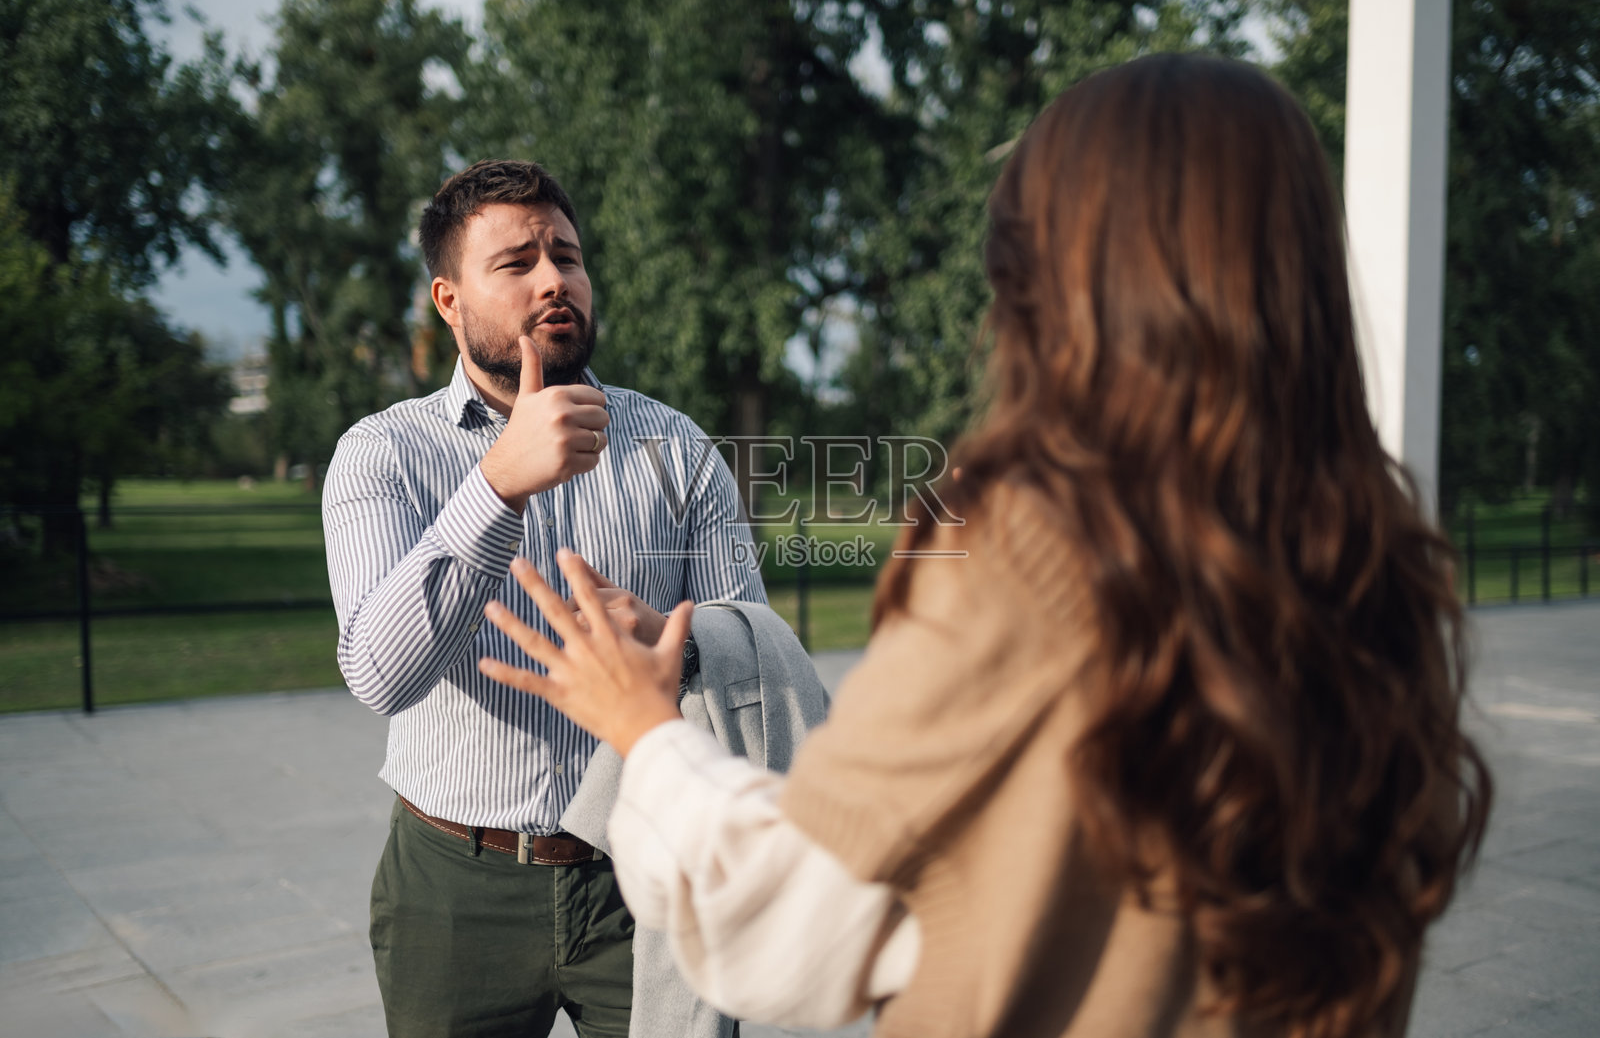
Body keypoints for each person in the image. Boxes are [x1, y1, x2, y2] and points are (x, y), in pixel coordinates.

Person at [478, 54, 1493, 1038]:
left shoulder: (1037, 544)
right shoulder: (1379, 569)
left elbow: (792, 922)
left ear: (1052, 268)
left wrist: (644, 729)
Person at [322, 159, 766, 1038]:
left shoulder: (674, 448)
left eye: (566, 254)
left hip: (645, 875)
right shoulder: (382, 456)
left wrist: (680, 643)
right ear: (450, 300)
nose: (554, 278)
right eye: (516, 262)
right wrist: (498, 485)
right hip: (454, 888)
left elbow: (749, 649)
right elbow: (377, 672)